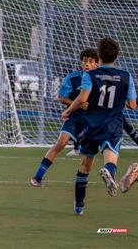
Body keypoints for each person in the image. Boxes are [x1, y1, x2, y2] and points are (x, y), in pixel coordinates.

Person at [61, 37, 137, 215]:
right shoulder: (126, 76)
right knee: (111, 159)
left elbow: (82, 99)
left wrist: (68, 111)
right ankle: (109, 172)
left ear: (99, 56)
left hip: (91, 125)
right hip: (112, 125)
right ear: (117, 55)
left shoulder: (90, 75)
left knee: (85, 166)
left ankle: (79, 206)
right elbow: (133, 105)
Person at [30, 49, 98, 187]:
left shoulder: (100, 79)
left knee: (92, 153)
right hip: (74, 118)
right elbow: (62, 98)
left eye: (91, 61)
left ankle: (85, 179)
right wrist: (78, 104)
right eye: (85, 60)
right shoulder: (72, 78)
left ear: (97, 64)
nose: (87, 64)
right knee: (61, 143)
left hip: (92, 121)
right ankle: (37, 177)